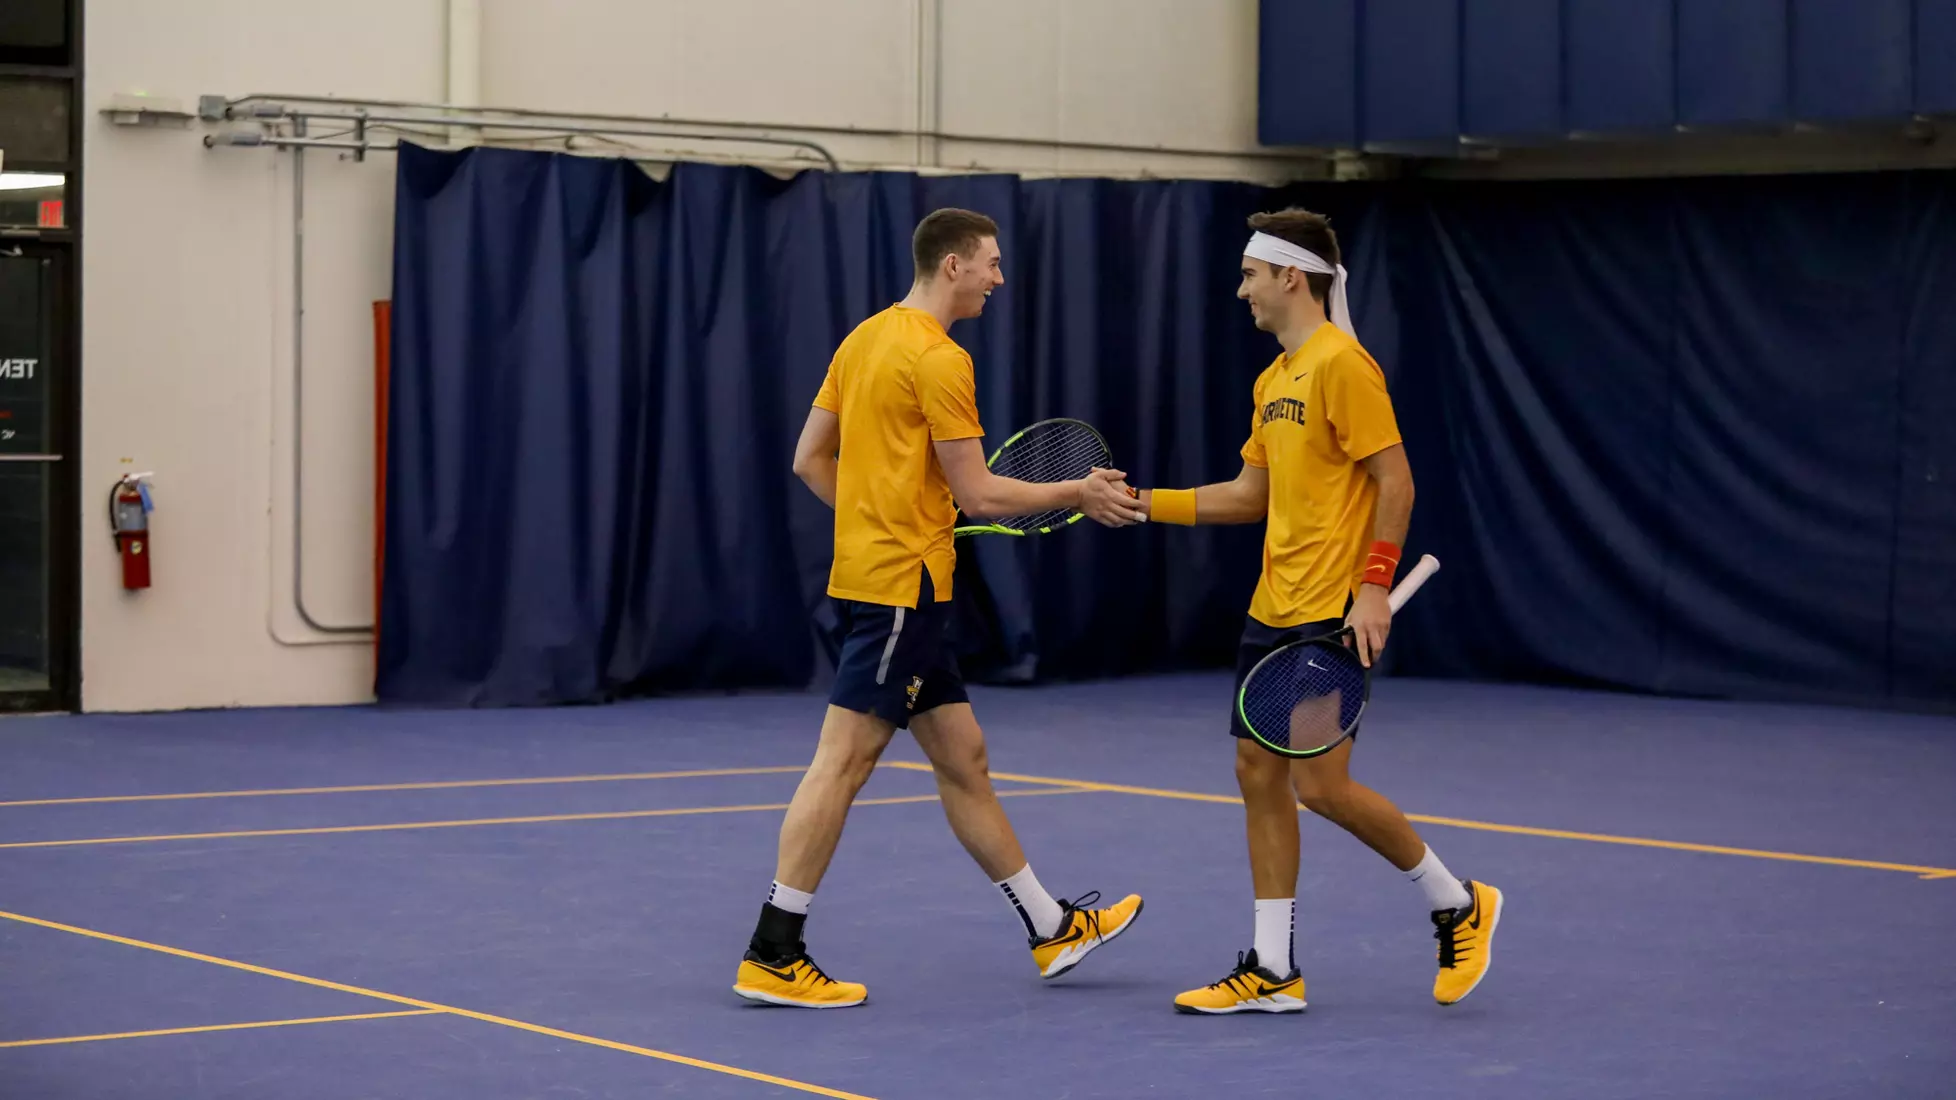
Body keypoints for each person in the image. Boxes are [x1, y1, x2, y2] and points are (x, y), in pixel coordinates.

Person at [733, 207, 1150, 1009]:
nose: (999, 277)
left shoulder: (862, 339)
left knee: (964, 758)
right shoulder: (939, 359)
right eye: (990, 263)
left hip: (882, 578)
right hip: (904, 592)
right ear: (953, 265)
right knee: (842, 764)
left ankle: (1052, 926)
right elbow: (982, 493)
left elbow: (808, 459)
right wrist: (1080, 489)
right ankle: (773, 951)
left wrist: (875, 516)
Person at [1137, 208, 1504, 1014]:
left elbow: (1396, 480)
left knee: (1321, 784)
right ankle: (1272, 970)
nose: (1242, 292)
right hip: (1273, 608)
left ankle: (1458, 902)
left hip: (1330, 611)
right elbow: (1248, 496)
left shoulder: (1344, 366)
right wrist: (1140, 504)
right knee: (1257, 774)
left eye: (1249, 276)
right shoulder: (1274, 382)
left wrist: (1375, 585)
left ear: (1290, 277)